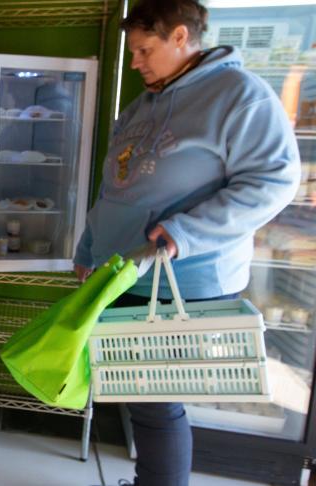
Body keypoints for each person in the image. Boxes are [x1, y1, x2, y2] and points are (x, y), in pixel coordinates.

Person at [73, 0, 300, 484]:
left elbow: (275, 181)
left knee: (155, 403)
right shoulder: (142, 105)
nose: (135, 62)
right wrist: (89, 248)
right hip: (125, 271)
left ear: (180, 37)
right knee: (140, 395)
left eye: (144, 50)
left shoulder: (241, 96)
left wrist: (186, 231)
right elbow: (115, 189)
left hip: (184, 279)